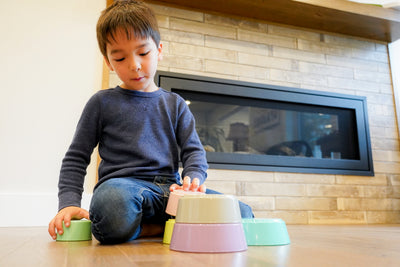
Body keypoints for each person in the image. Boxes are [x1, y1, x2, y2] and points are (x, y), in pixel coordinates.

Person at [48, 0, 253, 244]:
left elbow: (194, 151)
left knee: (242, 213)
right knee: (111, 208)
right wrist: (68, 203)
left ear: (159, 50)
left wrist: (194, 179)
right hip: (125, 190)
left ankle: (155, 226)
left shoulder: (175, 104)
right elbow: (76, 157)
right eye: (120, 58)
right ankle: (163, 229)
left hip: (171, 192)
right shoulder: (101, 103)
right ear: (108, 62)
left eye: (143, 53)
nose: (134, 65)